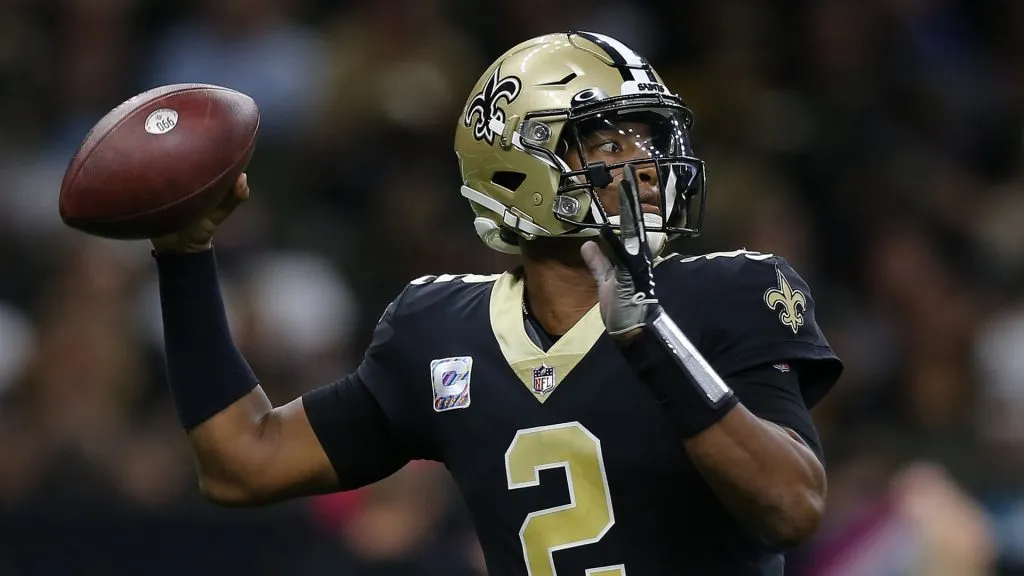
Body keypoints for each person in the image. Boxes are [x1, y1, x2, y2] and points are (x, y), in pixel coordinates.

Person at [151, 32, 842, 575]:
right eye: (608, 142)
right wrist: (184, 257)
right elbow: (242, 463)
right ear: (515, 167)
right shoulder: (437, 330)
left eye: (649, 140)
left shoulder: (725, 293)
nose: (646, 167)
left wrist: (654, 342)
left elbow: (794, 506)